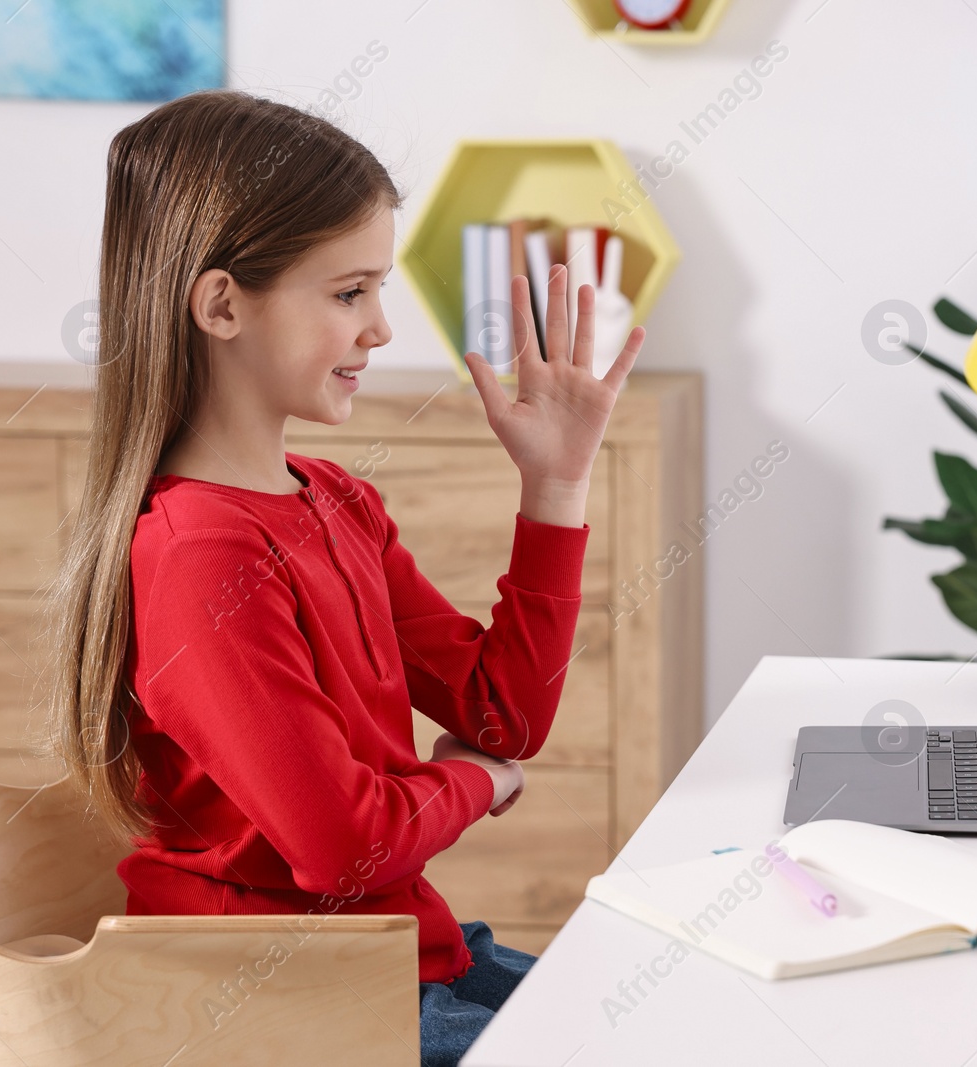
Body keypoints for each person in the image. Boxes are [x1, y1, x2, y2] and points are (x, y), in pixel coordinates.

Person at [32, 89, 643, 1066]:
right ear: (224, 303)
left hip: (401, 956)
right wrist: (473, 784)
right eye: (349, 292)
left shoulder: (335, 502)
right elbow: (340, 841)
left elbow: (503, 715)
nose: (382, 329)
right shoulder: (198, 555)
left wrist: (555, 484)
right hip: (289, 1000)